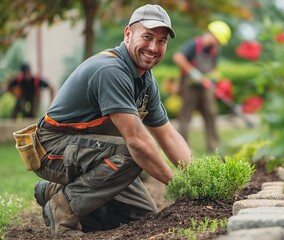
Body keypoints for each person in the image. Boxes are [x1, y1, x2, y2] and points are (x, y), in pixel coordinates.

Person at [24, 4, 191, 236]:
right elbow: (138, 143)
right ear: (128, 34)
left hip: (88, 151)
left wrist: (194, 178)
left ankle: (54, 192)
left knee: (142, 216)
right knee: (134, 154)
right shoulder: (110, 70)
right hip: (52, 150)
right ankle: (61, 211)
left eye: (161, 41)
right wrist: (180, 186)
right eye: (147, 37)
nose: (154, 47)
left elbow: (166, 133)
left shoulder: (144, 79)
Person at [172, 21, 231, 152]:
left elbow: (213, 70)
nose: (218, 44)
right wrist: (193, 72)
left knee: (211, 113)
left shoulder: (213, 51)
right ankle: (183, 147)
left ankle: (214, 146)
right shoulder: (195, 45)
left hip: (205, 87)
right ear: (213, 35)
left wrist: (213, 79)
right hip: (190, 86)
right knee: (186, 116)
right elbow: (178, 57)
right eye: (218, 40)